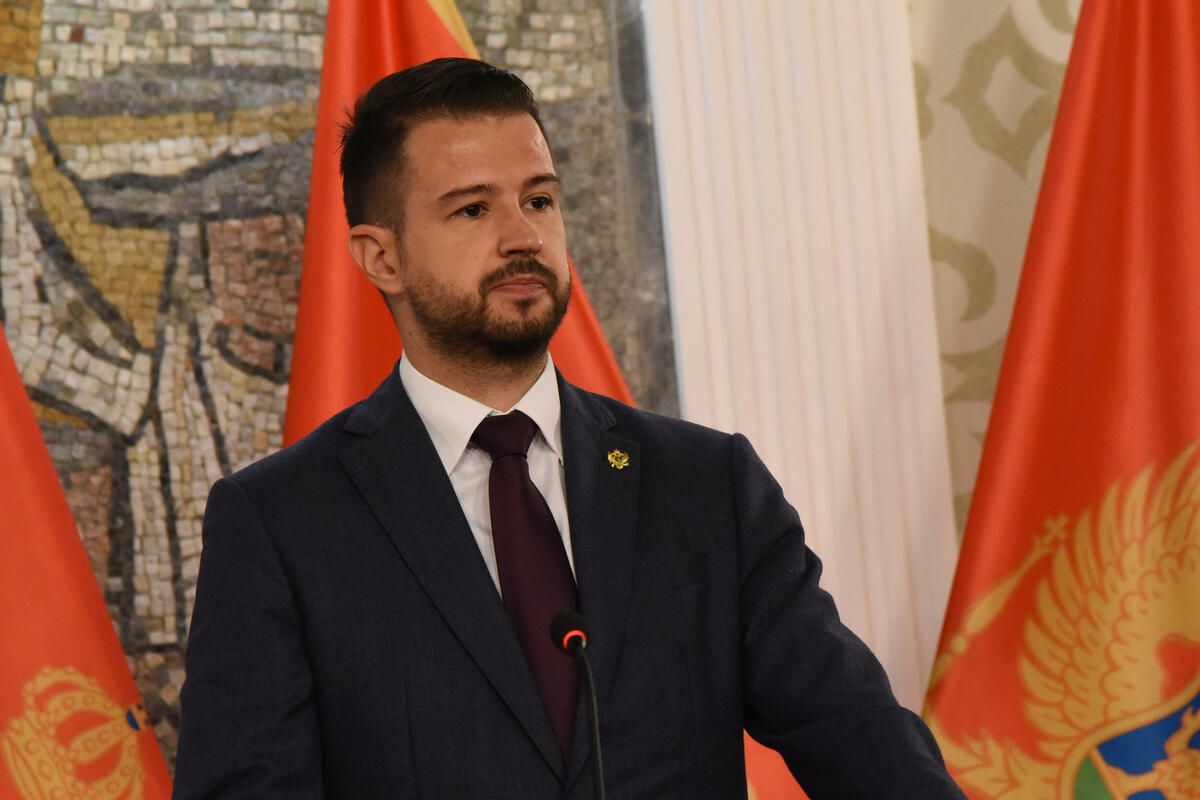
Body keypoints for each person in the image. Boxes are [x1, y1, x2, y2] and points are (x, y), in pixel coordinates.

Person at [173, 58, 965, 799]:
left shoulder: (706, 486)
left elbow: (862, 742)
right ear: (382, 258)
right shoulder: (281, 523)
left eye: (539, 201)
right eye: (473, 209)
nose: (523, 237)